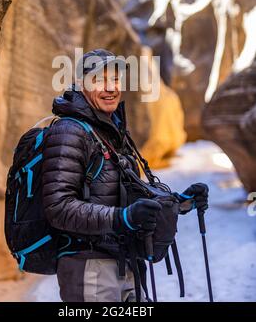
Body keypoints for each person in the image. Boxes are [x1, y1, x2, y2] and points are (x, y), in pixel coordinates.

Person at [42, 49, 208, 302]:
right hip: (90, 268)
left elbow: (129, 193)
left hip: (126, 262)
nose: (110, 88)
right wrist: (122, 218)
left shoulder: (111, 130)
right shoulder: (69, 133)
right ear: (80, 84)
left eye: (116, 80)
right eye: (99, 80)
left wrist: (180, 202)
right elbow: (59, 207)